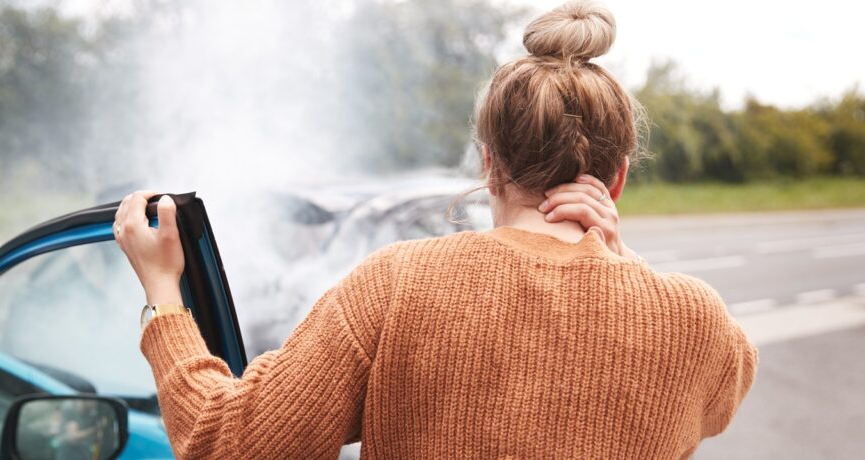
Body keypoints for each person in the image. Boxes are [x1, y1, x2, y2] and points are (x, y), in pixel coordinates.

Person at [115, 1, 757, 458]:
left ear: (489, 162)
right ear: (616, 179)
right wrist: (621, 259)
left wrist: (164, 298)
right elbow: (730, 384)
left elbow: (228, 446)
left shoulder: (398, 283)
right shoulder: (695, 320)